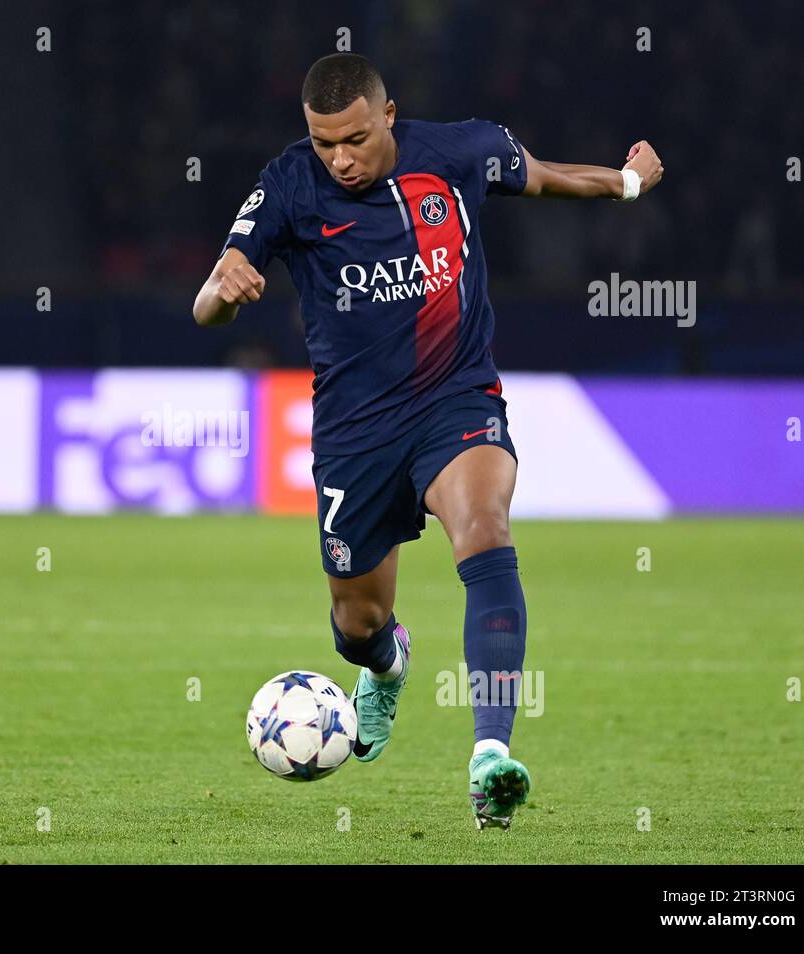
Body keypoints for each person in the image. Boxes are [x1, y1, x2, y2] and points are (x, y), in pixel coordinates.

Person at [192, 54, 662, 829]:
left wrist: (630, 181)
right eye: (322, 143)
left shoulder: (460, 151)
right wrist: (225, 287)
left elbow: (544, 178)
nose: (338, 159)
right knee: (358, 623)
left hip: (456, 401)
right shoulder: (288, 184)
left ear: (388, 115)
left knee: (486, 531)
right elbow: (211, 297)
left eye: (352, 139)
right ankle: (388, 664)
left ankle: (490, 756)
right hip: (355, 433)